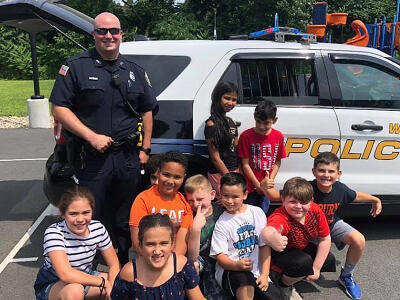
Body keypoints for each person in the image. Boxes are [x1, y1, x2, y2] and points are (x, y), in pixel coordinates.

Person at [49, 12, 158, 265]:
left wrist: (146, 148)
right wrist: (92, 136)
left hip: (128, 157)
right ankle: (88, 267)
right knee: (91, 215)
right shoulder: (76, 67)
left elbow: (147, 110)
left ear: (121, 34)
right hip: (92, 156)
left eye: (114, 31)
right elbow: (60, 109)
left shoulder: (135, 72)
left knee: (124, 215)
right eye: (102, 31)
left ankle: (120, 268)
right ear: (94, 35)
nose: (108, 36)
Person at [310, 152, 382, 300]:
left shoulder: (340, 189)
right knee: (302, 260)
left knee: (359, 240)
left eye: (331, 171)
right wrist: (266, 188)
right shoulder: (308, 188)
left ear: (338, 173)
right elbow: (281, 196)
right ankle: (286, 279)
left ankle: (346, 276)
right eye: (322, 170)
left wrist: (375, 199)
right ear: (314, 171)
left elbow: (356, 195)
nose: (326, 175)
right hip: (309, 229)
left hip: (331, 224)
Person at [34, 186, 120, 300]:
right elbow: (65, 274)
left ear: (92, 211)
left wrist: (113, 287)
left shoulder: (98, 228)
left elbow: (114, 264)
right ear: (63, 213)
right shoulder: (54, 233)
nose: (80, 219)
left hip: (85, 276)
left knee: (123, 281)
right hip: (54, 283)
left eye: (85, 212)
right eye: (73, 214)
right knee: (75, 290)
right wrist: (104, 283)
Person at [261, 177, 336, 300]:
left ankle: (296, 274)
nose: (298, 206)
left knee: (327, 258)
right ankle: (283, 283)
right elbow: (267, 231)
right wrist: (272, 237)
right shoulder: (280, 216)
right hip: (280, 253)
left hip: (298, 248)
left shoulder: (315, 210)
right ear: (283, 200)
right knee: (303, 262)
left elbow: (325, 239)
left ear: (311, 201)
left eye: (303, 202)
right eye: (293, 202)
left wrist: (316, 268)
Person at [210, 172, 282, 300]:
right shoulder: (221, 223)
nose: (230, 201)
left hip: (256, 271)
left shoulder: (257, 212)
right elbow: (220, 256)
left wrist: (265, 275)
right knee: (244, 279)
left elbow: (264, 245)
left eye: (235, 196)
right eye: (225, 196)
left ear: (245, 194)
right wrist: (236, 265)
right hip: (231, 270)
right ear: (220, 193)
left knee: (275, 297)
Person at [111, 213, 206, 300]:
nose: (157, 251)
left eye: (163, 243)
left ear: (172, 244)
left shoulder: (182, 266)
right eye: (150, 244)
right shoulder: (129, 273)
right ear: (140, 245)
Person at [129, 151, 193, 256]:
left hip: (172, 259)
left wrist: (170, 265)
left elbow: (182, 243)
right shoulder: (143, 199)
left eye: (177, 177)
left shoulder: (185, 205)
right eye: (166, 175)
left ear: (184, 177)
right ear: (158, 172)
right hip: (143, 255)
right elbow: (137, 240)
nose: (171, 181)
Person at [237, 99, 286, 213]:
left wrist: (269, 180)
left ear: (275, 120)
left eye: (266, 123)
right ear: (254, 117)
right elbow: (244, 164)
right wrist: (258, 185)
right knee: (248, 214)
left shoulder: (278, 136)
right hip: (249, 187)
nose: (261, 126)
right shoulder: (246, 136)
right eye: (258, 121)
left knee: (262, 215)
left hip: (267, 188)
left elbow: (277, 161)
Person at [184, 174, 227, 299]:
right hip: (199, 258)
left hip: (219, 257)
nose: (196, 204)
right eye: (190, 200)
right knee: (193, 266)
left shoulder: (222, 212)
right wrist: (196, 229)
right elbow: (192, 257)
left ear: (212, 195)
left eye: (200, 199)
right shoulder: (188, 217)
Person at [204, 81, 240, 200]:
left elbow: (235, 149)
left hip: (235, 171)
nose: (230, 103)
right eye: (227, 98)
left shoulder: (232, 122)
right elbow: (215, 158)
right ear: (218, 97)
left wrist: (238, 174)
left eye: (234, 100)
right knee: (226, 205)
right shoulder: (211, 124)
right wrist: (229, 178)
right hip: (219, 174)